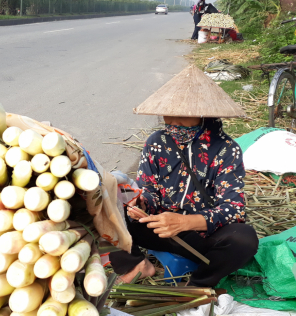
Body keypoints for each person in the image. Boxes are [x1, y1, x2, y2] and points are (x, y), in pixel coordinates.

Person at [110, 65, 259, 287]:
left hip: (201, 234)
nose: (175, 123)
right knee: (102, 204)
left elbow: (233, 208)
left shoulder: (227, 149)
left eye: (184, 115)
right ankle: (136, 264)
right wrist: (140, 202)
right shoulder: (156, 142)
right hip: (158, 228)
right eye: (169, 115)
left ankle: (198, 285)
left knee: (244, 239)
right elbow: (148, 189)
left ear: (204, 115)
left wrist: (184, 222)